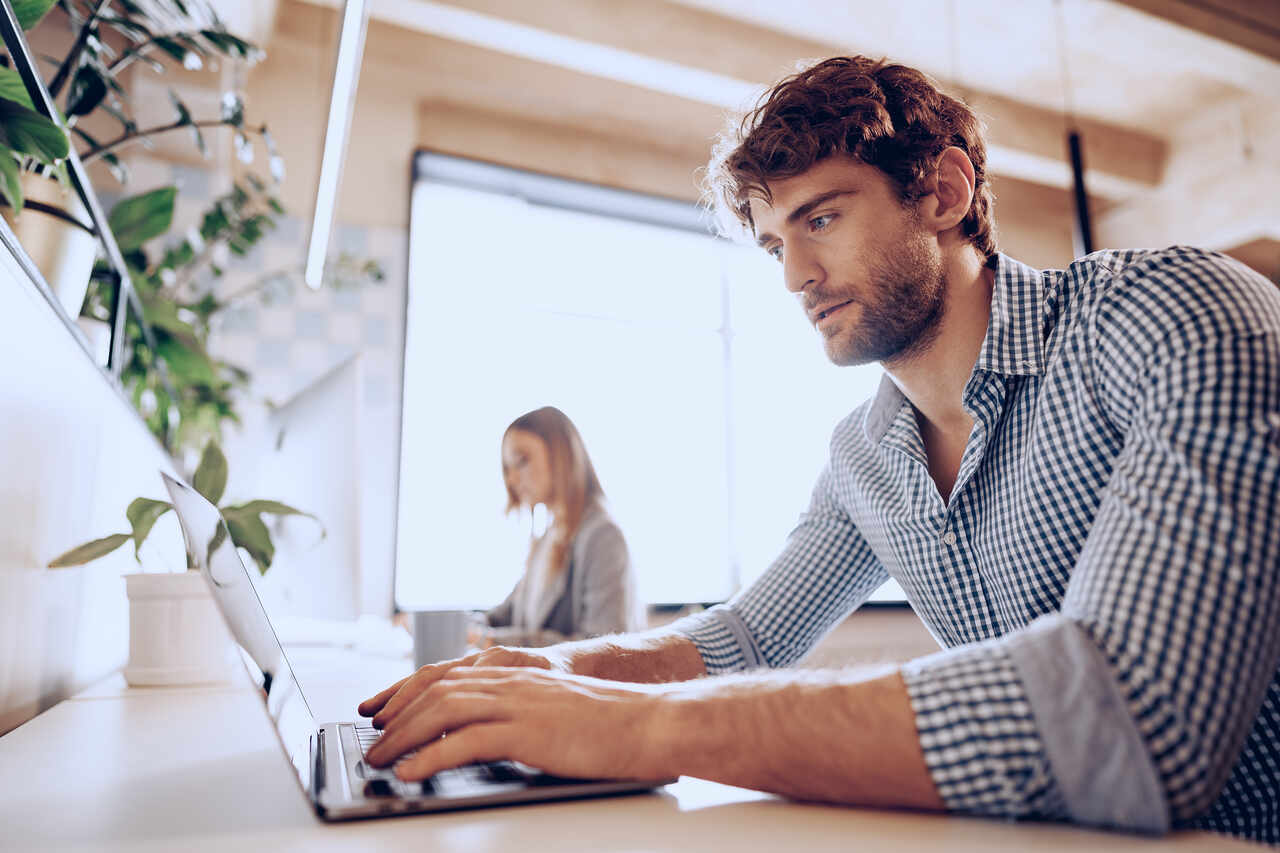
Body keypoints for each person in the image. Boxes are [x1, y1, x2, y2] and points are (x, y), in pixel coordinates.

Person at [358, 57, 1280, 843]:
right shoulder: (865, 455)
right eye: (773, 246)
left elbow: (1132, 711)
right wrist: (550, 675)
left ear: (944, 193)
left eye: (822, 219)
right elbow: (743, 639)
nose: (796, 276)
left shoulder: (1175, 315)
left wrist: (638, 726)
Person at [474, 406, 641, 648]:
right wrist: (458, 625)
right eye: (507, 469)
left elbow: (603, 648)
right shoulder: (548, 538)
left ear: (562, 456)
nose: (511, 480)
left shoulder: (602, 537)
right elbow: (503, 616)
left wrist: (487, 639)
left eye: (521, 462)